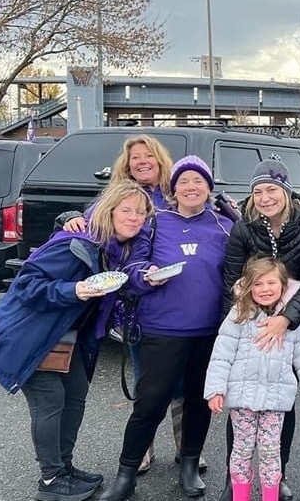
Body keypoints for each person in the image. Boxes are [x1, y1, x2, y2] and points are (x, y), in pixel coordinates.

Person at [0, 180, 152, 501]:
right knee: (50, 402)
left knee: (75, 396)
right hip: (32, 334)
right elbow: (26, 285)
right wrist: (74, 290)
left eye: (141, 212)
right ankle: (51, 480)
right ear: (109, 211)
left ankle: (64, 467)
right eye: (126, 210)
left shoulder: (113, 251)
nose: (135, 218)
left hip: (69, 337)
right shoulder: (75, 245)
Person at [101, 156, 235, 501]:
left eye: (198, 181)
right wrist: (144, 275)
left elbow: (241, 269)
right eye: (183, 181)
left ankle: (189, 464)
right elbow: (131, 265)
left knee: (198, 402)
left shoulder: (225, 225)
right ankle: (126, 474)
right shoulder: (155, 222)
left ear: (209, 187)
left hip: (209, 331)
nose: (191, 187)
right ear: (173, 189)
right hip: (162, 328)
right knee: (150, 402)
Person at [61, 135, 193, 476]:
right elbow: (92, 226)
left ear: (161, 160)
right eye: (136, 157)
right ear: (127, 164)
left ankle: (186, 448)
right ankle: (142, 448)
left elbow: (205, 215)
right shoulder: (118, 195)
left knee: (181, 379)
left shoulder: (175, 194)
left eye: (149, 155)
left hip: (176, 299)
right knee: (146, 379)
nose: (142, 161)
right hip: (135, 303)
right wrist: (70, 216)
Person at [218, 157, 300, 501]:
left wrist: (287, 318)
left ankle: (276, 475)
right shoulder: (244, 227)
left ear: (286, 190)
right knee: (242, 400)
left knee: (281, 400)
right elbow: (231, 278)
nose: (265, 198)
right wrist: (241, 321)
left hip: (293, 321)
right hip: (249, 320)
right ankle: (234, 479)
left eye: (272, 190)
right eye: (258, 192)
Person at [205, 258, 300, 501]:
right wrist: (215, 390)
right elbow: (221, 356)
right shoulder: (239, 315)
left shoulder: (292, 321)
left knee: (271, 452)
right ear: (248, 286)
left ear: (283, 286)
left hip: (275, 399)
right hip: (242, 399)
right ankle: (240, 495)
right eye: (258, 284)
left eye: (271, 283)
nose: (265, 289)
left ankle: (270, 495)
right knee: (241, 450)